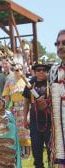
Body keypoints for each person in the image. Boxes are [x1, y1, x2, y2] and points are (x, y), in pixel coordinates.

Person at [23, 61, 51, 168]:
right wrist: (25, 118)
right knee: (36, 150)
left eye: (44, 70)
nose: (41, 72)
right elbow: (26, 102)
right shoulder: (30, 84)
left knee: (50, 150)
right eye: (38, 70)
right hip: (35, 123)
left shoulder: (51, 83)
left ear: (47, 72)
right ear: (35, 72)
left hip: (49, 123)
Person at [2, 63, 31, 158]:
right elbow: (7, 98)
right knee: (16, 131)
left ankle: (27, 153)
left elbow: (31, 96)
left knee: (26, 131)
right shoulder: (9, 82)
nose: (17, 71)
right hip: (14, 110)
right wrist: (5, 109)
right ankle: (18, 152)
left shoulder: (27, 81)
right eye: (15, 70)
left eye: (19, 69)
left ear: (22, 70)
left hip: (26, 108)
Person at [50, 29, 65, 167]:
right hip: (61, 129)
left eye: (64, 43)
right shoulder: (54, 70)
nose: (60, 46)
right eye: (57, 43)